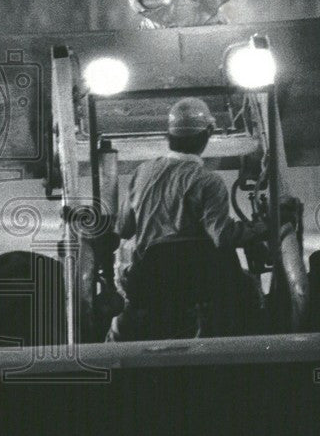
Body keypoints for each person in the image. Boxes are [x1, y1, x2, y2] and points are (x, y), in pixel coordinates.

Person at [106, 98, 278, 341]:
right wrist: (265, 227)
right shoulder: (207, 181)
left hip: (148, 282)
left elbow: (123, 228)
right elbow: (222, 236)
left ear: (168, 134)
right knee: (250, 290)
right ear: (208, 132)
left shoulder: (141, 172)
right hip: (198, 285)